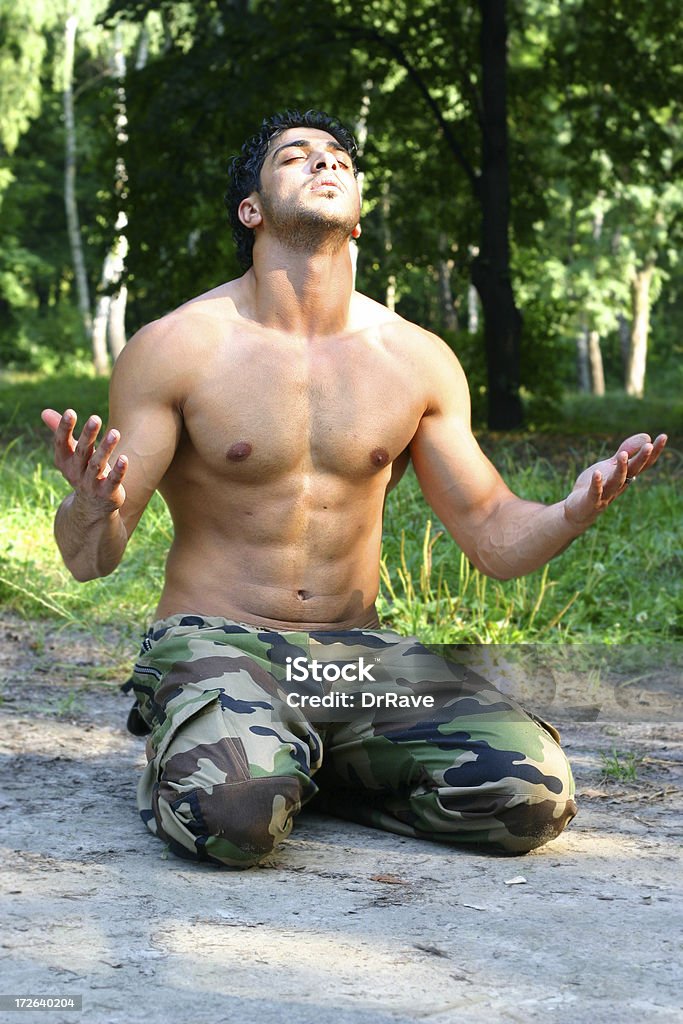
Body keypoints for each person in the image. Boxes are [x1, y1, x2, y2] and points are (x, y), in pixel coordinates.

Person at [42, 110, 667, 867]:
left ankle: (303, 771)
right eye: (295, 157)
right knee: (232, 820)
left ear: (360, 215)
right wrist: (89, 505)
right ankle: (240, 766)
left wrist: (570, 511)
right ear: (252, 209)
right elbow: (91, 559)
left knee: (527, 797)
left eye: (338, 156)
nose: (325, 164)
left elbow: (493, 534)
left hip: (355, 658)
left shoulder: (415, 359)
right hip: (220, 644)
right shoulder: (178, 347)